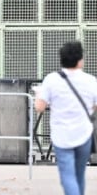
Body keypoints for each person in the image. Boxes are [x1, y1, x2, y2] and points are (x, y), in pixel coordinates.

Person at [35, 41, 97, 195]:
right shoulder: (91, 80)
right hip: (84, 134)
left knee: (68, 177)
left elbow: (40, 108)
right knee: (79, 174)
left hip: (61, 135)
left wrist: (38, 94)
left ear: (61, 59)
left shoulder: (51, 80)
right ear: (80, 59)